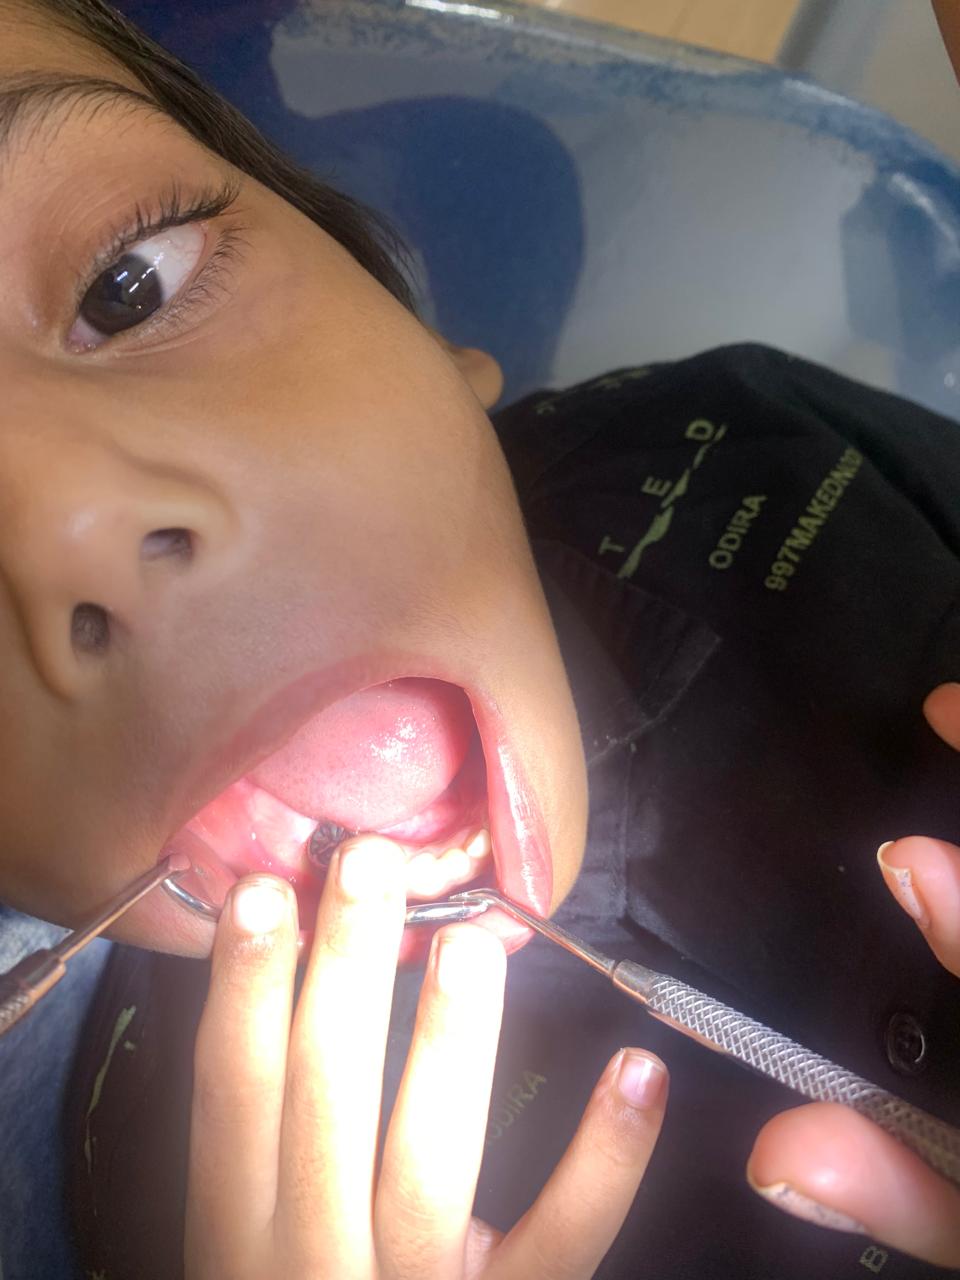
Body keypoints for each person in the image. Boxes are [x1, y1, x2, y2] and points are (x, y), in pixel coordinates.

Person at [0, 1, 957, 1277]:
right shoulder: (151, 1203)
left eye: (127, 288)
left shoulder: (762, 443)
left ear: (423, 331)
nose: (76, 526)